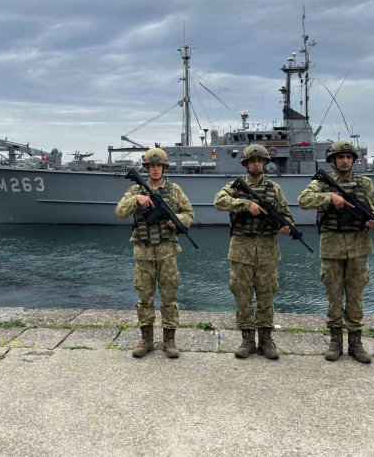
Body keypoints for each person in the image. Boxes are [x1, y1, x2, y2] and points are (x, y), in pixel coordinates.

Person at [298, 141, 374, 364]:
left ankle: (356, 343)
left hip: (358, 246)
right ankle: (335, 341)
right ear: (333, 160)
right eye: (340, 157)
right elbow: (303, 200)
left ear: (353, 160)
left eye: (348, 157)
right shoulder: (321, 182)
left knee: (355, 295)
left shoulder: (365, 183)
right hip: (332, 245)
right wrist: (329, 198)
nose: (345, 160)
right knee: (334, 295)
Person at [213, 144, 294, 360]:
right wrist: (245, 204)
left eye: (260, 161)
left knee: (266, 296)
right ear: (246, 164)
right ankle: (247, 340)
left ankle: (266, 340)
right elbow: (219, 201)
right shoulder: (235, 187)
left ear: (265, 163)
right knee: (243, 296)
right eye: (252, 161)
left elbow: (287, 215)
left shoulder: (275, 189)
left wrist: (286, 227)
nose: (256, 164)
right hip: (241, 248)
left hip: (267, 249)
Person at [115, 147, 194, 359]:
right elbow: (120, 212)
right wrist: (136, 200)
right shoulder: (135, 191)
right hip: (143, 250)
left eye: (159, 165)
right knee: (144, 297)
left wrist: (177, 221)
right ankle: (146, 340)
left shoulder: (175, 190)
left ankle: (170, 340)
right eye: (152, 165)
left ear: (164, 167)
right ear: (147, 168)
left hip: (167, 250)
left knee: (169, 296)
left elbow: (189, 214)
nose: (156, 169)